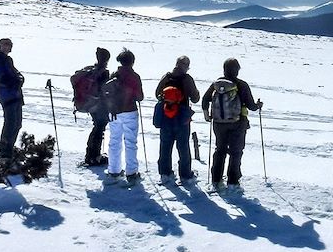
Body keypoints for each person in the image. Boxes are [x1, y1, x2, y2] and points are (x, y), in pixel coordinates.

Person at [202, 57, 263, 189]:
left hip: (218, 123)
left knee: (220, 150)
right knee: (236, 152)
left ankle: (216, 179)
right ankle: (233, 181)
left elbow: (205, 100)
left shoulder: (216, 85)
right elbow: (251, 106)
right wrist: (258, 106)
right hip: (238, 123)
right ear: (237, 70)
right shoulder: (241, 85)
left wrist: (207, 116)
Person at [155, 55, 200, 184]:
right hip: (182, 117)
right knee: (183, 146)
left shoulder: (167, 76)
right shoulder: (187, 79)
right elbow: (195, 98)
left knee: (165, 146)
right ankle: (185, 175)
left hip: (166, 116)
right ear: (185, 66)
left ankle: (165, 173)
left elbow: (157, 93)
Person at [106, 48, 144, 184]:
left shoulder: (113, 75)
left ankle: (114, 171)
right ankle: (131, 172)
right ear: (132, 62)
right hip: (130, 111)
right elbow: (140, 97)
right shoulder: (134, 76)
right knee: (130, 142)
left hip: (114, 112)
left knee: (114, 141)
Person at [0, 38, 24, 159]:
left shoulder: (7, 59)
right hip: (7, 96)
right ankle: (5, 152)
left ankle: (9, 149)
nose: (8, 47)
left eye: (9, 44)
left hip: (15, 95)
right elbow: (0, 79)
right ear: (0, 45)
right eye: (5, 44)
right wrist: (16, 81)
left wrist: (18, 79)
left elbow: (17, 74)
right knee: (10, 124)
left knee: (17, 124)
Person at [83, 47, 111, 167]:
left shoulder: (92, 70)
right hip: (100, 105)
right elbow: (104, 90)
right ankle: (94, 156)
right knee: (99, 129)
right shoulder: (103, 72)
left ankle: (90, 155)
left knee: (97, 128)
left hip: (91, 103)